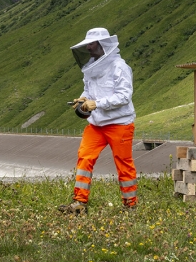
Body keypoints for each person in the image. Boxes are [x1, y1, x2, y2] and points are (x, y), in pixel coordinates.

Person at [58, 27, 137, 214]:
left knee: (123, 163)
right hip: (96, 124)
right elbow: (89, 91)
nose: (88, 48)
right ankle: (79, 203)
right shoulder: (91, 68)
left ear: (102, 44)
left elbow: (124, 96)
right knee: (84, 157)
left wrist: (97, 103)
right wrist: (83, 99)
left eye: (91, 44)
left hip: (120, 124)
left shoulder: (120, 67)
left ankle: (130, 205)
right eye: (87, 45)